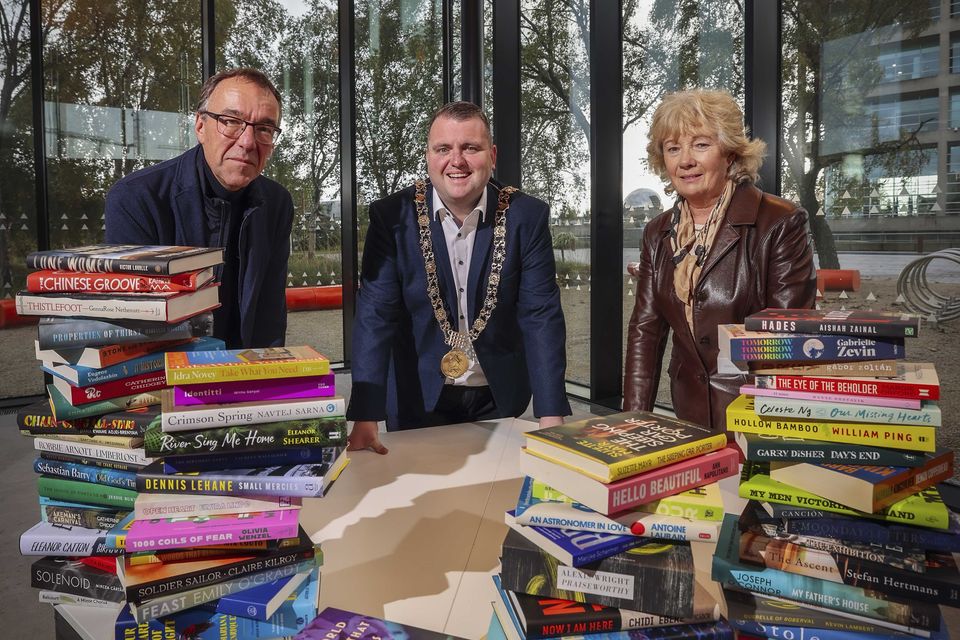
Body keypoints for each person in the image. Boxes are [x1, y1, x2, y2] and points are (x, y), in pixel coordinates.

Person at [347, 101, 571, 454]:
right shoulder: (391, 217)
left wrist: (551, 416)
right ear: (428, 156)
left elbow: (540, 315)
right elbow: (376, 316)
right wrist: (365, 416)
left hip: (499, 399)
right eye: (443, 149)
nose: (457, 160)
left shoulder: (526, 216)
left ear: (492, 155)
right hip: (416, 399)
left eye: (470, 147)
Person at [623, 89, 816, 433]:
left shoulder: (780, 222)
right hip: (689, 413)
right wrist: (632, 422)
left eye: (700, 144)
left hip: (758, 416)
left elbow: (790, 341)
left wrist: (767, 431)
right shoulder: (657, 232)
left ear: (730, 153)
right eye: (672, 148)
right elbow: (646, 331)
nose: (685, 160)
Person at [104, 67, 293, 349]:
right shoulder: (137, 198)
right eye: (231, 121)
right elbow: (135, 327)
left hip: (244, 372)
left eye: (264, 129)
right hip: (165, 377)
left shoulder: (277, 203)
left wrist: (264, 384)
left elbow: (269, 317)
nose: (247, 142)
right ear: (200, 127)